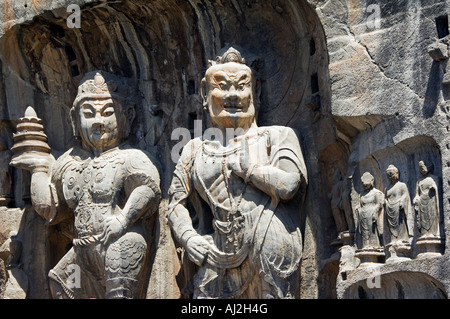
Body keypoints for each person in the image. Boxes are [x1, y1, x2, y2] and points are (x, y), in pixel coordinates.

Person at [167, 47, 308, 299]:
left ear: (256, 92)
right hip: (217, 246)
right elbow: (175, 202)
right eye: (221, 86)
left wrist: (251, 170)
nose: (232, 95)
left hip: (268, 239)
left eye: (241, 86)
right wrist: (189, 238)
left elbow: (289, 185)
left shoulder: (276, 136)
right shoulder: (193, 148)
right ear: (204, 93)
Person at [10, 71, 161, 299]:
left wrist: (123, 219)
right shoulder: (68, 162)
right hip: (82, 249)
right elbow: (52, 210)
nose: (98, 121)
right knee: (61, 283)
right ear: (75, 120)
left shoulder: (130, 157)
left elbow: (148, 188)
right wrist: (39, 169)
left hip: (120, 244)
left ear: (126, 116)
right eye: (89, 113)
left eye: (108, 113)